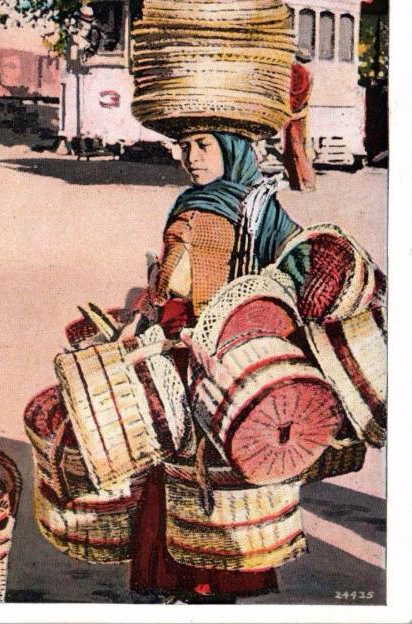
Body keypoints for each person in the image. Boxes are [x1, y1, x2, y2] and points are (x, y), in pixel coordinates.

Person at [128, 131, 301, 604]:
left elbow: (301, 268)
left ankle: (212, 590)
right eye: (185, 147)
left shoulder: (258, 208)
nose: (191, 158)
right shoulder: (187, 200)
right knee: (170, 464)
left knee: (215, 476)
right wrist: (143, 318)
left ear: (234, 148)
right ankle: (175, 585)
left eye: (203, 145)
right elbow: (166, 277)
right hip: (173, 353)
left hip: (223, 363)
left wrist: (249, 321)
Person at [282, 49, 316, 192]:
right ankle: (298, 182)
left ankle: (305, 181)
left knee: (294, 148)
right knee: (295, 148)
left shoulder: (297, 71)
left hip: (293, 113)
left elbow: (294, 94)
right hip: (300, 113)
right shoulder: (308, 73)